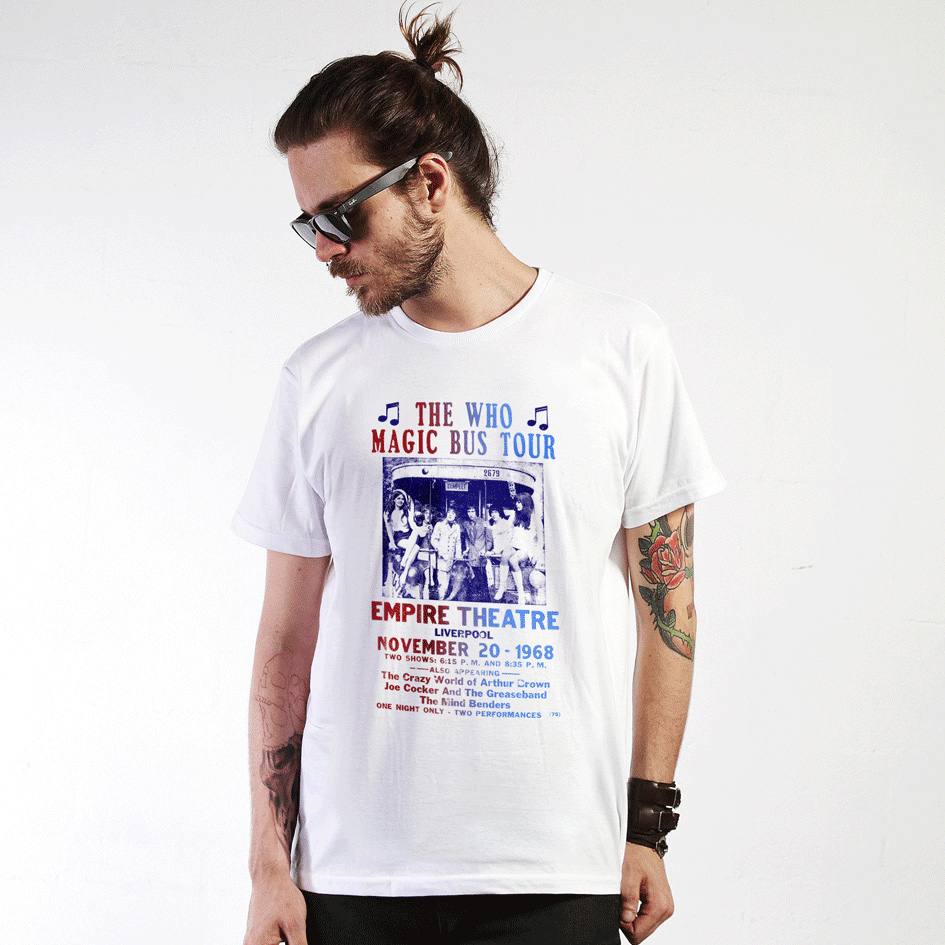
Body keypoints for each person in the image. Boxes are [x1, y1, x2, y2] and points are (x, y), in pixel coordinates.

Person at [233, 8, 725, 945]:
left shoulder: (618, 346)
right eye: (308, 227)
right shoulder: (319, 379)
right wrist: (267, 863)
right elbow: (283, 642)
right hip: (356, 870)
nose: (325, 250)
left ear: (429, 182)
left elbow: (670, 607)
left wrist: (646, 826)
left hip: (557, 864)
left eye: (339, 217)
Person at [461, 505, 489, 601]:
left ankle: (485, 599)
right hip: (472, 554)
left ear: (476, 512)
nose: (470, 514)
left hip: (481, 553)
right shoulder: (466, 523)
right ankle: (472, 599)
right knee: (472, 577)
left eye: (472, 511)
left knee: (482, 577)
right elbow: (467, 538)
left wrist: (485, 550)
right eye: (468, 511)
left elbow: (488, 539)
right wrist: (467, 549)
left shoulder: (483, 522)